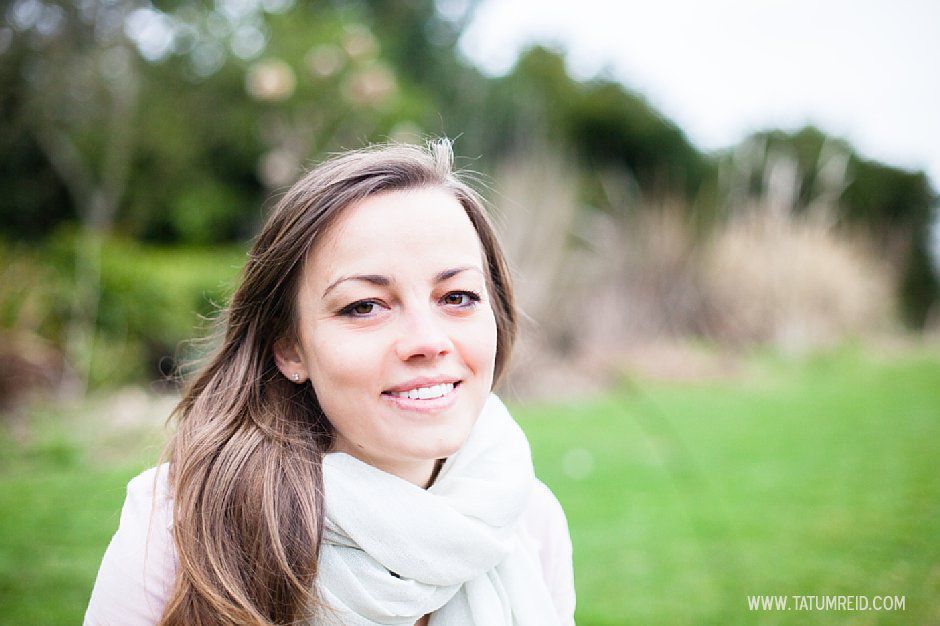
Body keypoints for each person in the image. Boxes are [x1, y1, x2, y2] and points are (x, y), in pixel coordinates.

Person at [84, 140, 575, 626]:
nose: (427, 341)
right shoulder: (182, 522)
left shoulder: (527, 518)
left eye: (458, 297)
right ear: (290, 348)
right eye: (364, 306)